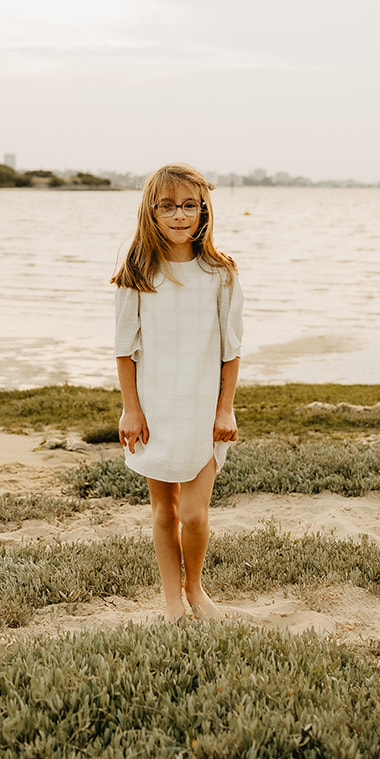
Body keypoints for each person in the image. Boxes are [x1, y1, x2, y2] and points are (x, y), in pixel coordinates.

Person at [112, 162, 243, 620]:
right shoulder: (138, 273)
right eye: (167, 206)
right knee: (164, 510)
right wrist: (131, 410)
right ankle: (172, 599)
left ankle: (195, 588)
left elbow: (231, 350)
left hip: (203, 410)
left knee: (194, 513)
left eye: (190, 205)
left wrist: (225, 409)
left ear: (204, 210)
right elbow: (124, 350)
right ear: (151, 211)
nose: (179, 215)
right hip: (155, 409)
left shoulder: (220, 273)